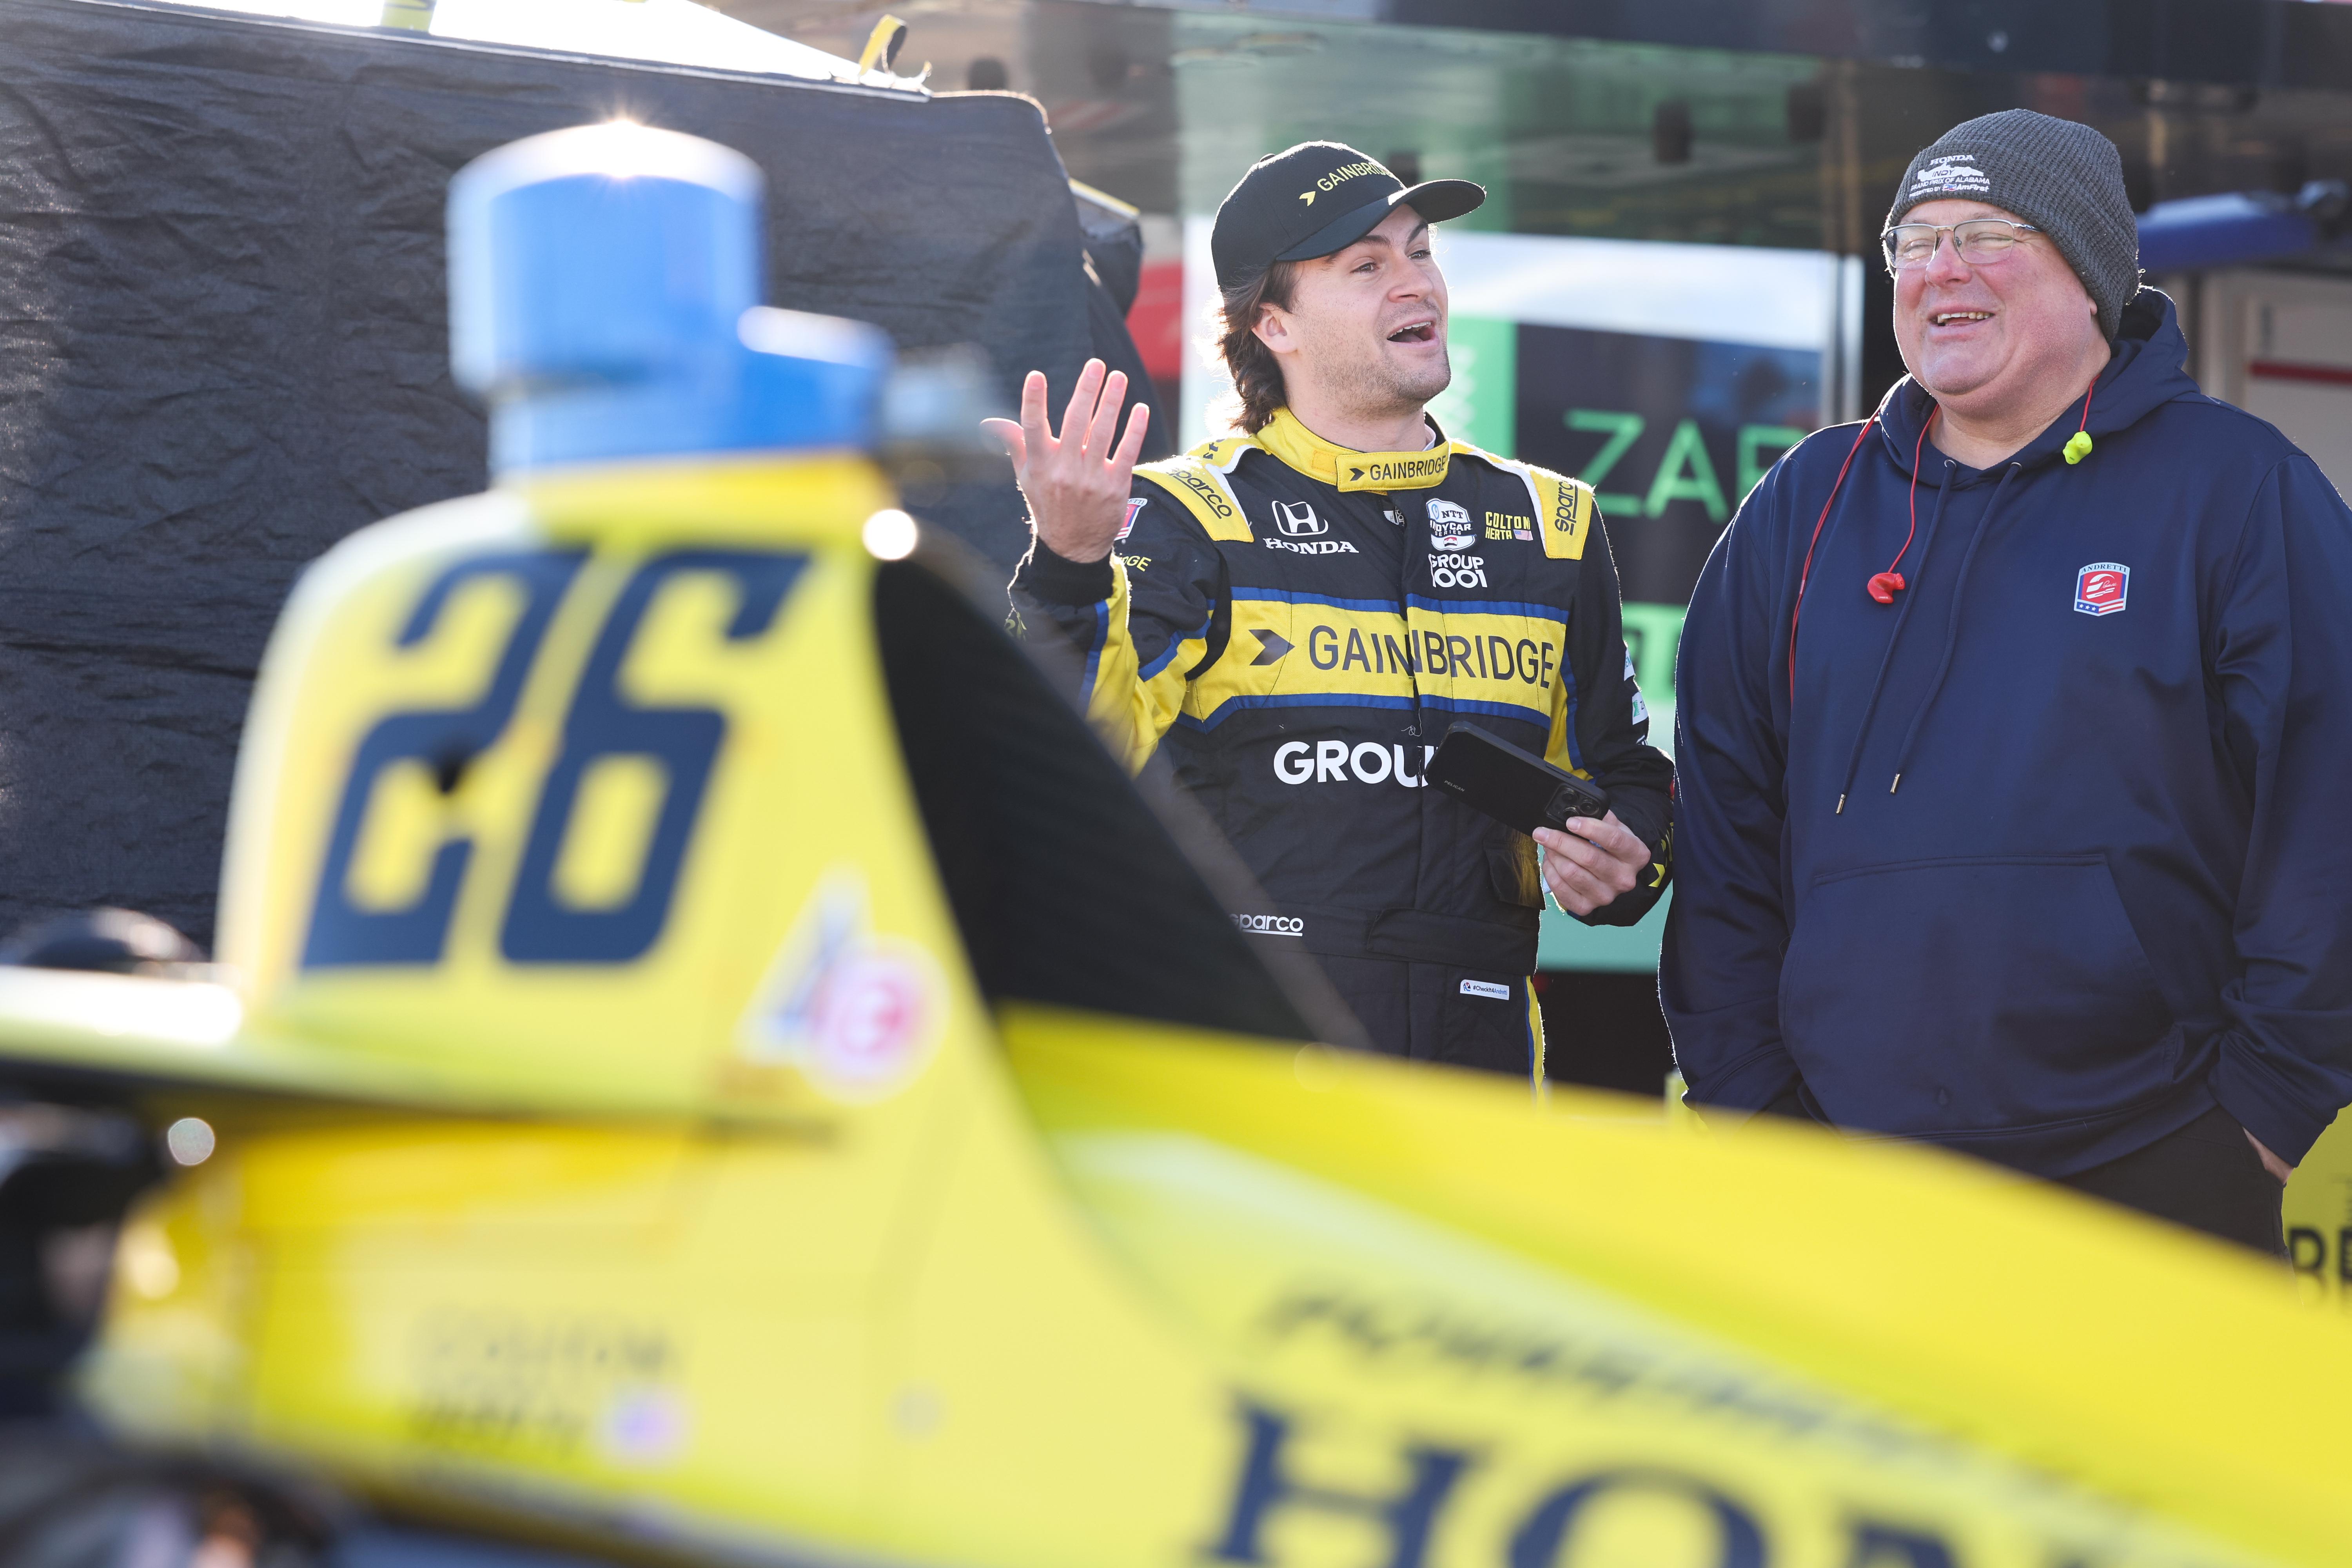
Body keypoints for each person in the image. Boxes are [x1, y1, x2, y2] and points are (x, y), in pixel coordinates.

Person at [1663, 109, 2352, 1253]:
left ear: (2088, 274)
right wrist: (1747, 1099)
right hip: (1842, 1166)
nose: (1941, 271)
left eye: (1985, 236)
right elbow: (1726, 815)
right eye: (1914, 243)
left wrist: (2265, 1114)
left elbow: (2329, 811)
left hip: (2158, 1163)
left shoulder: (2238, 490)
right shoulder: (1808, 502)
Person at [996, 142, 1672, 1082]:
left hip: (1480, 1062)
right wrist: (1070, 565)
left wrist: (1626, 862)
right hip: (1250, 1049)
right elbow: (1072, 756)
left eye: (1422, 251)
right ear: (1273, 324)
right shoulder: (1193, 513)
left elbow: (1628, 772)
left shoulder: (1552, 521)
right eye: (1367, 265)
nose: (1416, 284)